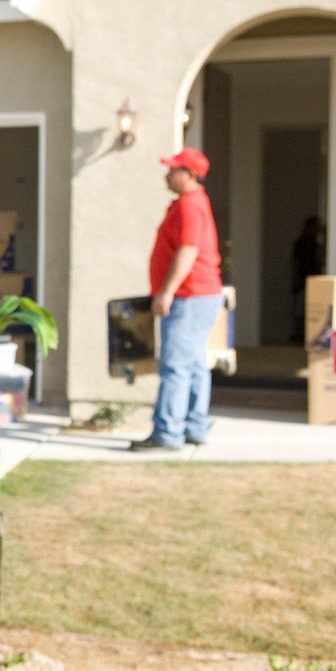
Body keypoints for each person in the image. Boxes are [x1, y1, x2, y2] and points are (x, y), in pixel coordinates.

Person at [132, 148, 223, 452]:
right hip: (199, 296)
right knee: (194, 364)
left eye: (173, 170)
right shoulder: (189, 203)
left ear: (190, 174)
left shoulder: (190, 205)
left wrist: (167, 291)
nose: (167, 175)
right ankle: (194, 426)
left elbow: (188, 251)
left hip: (189, 297)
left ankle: (167, 433)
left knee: (175, 366)